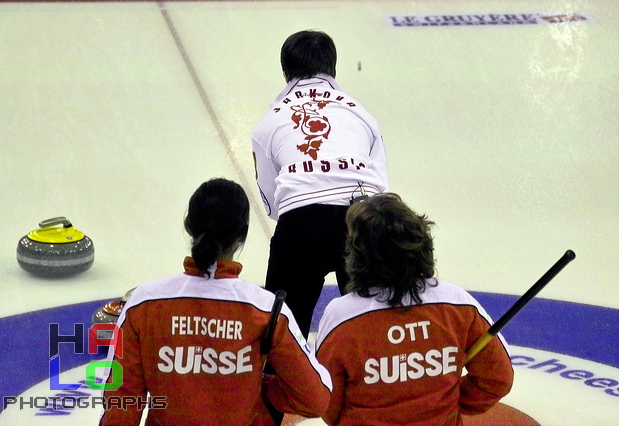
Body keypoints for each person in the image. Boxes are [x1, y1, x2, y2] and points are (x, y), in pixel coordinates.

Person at [98, 178, 332, 426]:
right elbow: (315, 399)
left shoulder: (143, 304)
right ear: (241, 236)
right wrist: (259, 387)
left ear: (189, 226)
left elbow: (121, 406)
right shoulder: (266, 309)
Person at [315, 194, 514, 425]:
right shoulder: (458, 304)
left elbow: (326, 402)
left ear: (357, 255)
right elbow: (498, 378)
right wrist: (448, 402)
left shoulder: (341, 316)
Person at [252, 30, 389, 339]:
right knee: (373, 332)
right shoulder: (363, 115)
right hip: (361, 220)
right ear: (334, 68)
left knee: (282, 337)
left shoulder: (268, 123)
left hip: (301, 223)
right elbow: (380, 188)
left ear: (285, 72)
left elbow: (273, 204)